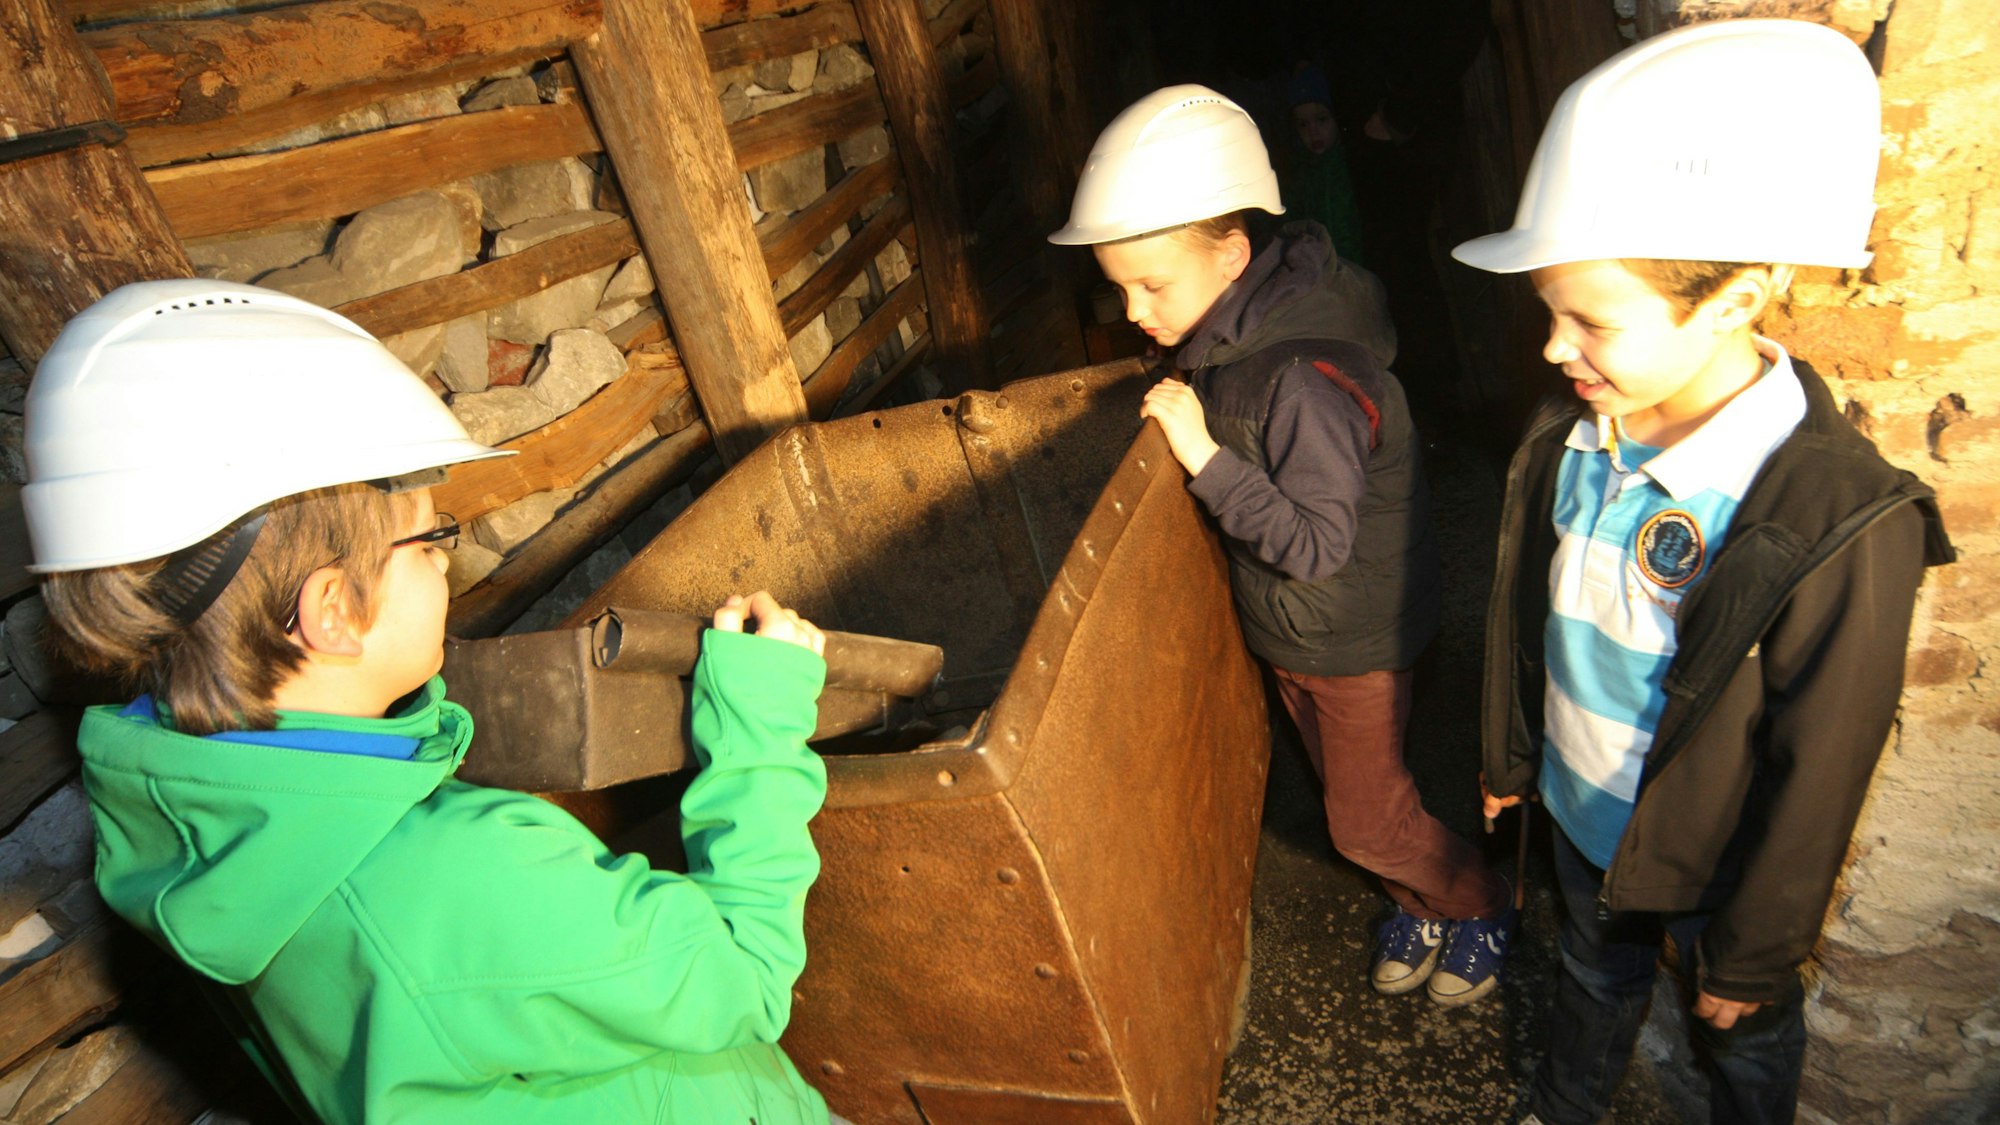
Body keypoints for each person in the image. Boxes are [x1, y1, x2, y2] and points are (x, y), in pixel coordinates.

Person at [22, 280, 848, 1125]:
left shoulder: (196, 835)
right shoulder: (472, 869)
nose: (447, 561)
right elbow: (743, 976)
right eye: (429, 539)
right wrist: (762, 720)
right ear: (336, 611)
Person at [1451, 20, 1955, 1124]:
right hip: (1581, 824)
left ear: (1731, 299)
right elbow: (1533, 618)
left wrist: (1753, 953)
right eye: (1546, 311)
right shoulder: (1569, 434)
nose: (1552, 348)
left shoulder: (1837, 517)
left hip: (1710, 867)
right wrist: (1512, 754)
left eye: (1589, 319)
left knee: (1743, 1043)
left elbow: (1819, 760)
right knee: (1589, 976)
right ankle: (1564, 1103)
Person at [1051, 85, 1515, 1007]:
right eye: (1119, 285)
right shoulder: (1232, 332)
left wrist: (1202, 455)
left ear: (1231, 254)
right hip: (1302, 635)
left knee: (1365, 824)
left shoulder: (1302, 374)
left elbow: (1311, 543)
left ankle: (1483, 900)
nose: (1134, 308)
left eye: (1153, 285)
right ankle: (1418, 899)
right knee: (1365, 804)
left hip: (1350, 638)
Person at [1278, 63, 1366, 267]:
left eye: (1322, 120)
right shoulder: (1299, 172)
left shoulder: (1350, 165)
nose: (1313, 132)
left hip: (1356, 270)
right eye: (1303, 124)